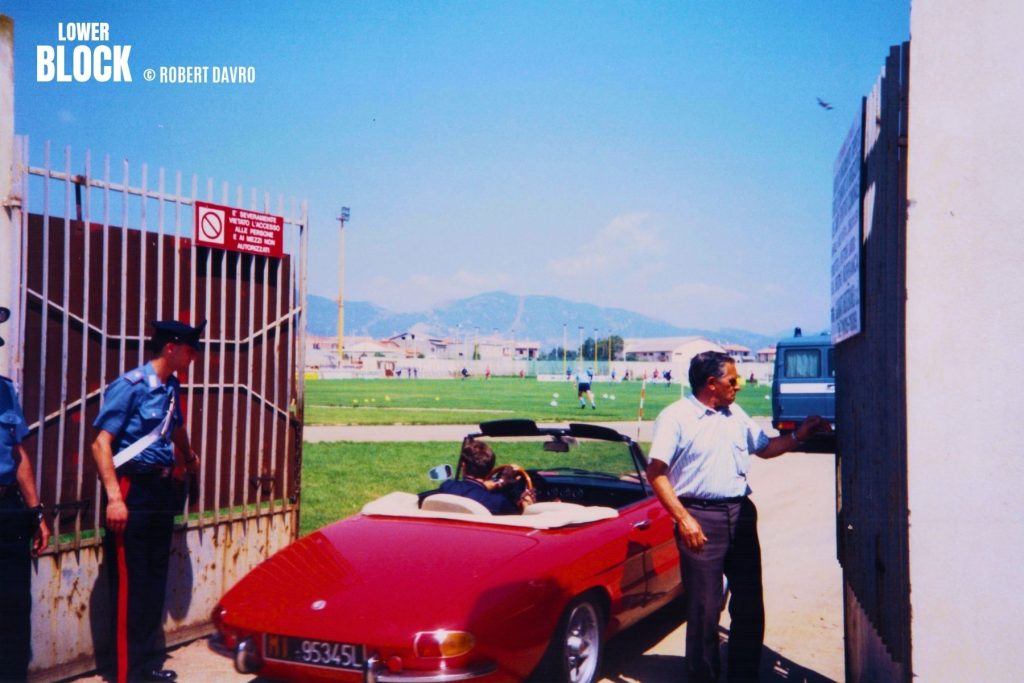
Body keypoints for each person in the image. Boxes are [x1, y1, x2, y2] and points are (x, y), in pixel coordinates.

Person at [645, 351, 831, 682]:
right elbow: (656, 473)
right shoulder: (676, 417)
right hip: (699, 518)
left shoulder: (735, 414)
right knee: (705, 608)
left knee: (749, 603)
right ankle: (704, 676)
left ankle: (744, 675)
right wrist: (684, 519)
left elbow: (765, 448)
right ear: (711, 384)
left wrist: (800, 435)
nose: (739, 386)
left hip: (740, 514)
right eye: (733, 380)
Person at [91, 319, 205, 683]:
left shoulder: (172, 385)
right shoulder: (131, 386)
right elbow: (100, 444)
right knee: (131, 584)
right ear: (171, 349)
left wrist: (187, 455)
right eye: (190, 350)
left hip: (160, 490)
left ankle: (146, 667)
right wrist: (113, 499)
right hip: (131, 489)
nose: (194, 357)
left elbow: (175, 427)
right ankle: (127, 675)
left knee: (154, 579)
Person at [0, 306, 52, 680]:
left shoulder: (4, 390)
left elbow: (19, 455)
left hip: (7, 510)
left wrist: (36, 512)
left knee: (14, 607)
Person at [439, 440, 534, 514]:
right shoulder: (498, 502)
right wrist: (526, 506)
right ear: (490, 469)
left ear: (463, 466)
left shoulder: (447, 487)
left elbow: (472, 489)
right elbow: (518, 523)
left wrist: (500, 482)